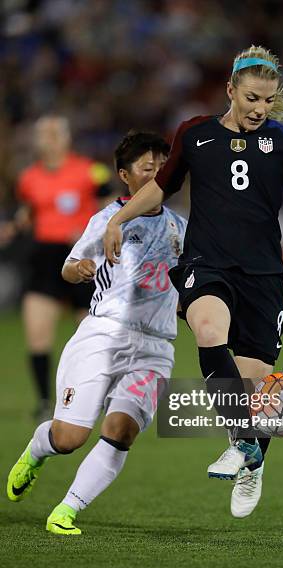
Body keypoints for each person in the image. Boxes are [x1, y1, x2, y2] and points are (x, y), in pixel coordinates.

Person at [103, 45, 283, 519]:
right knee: (210, 331)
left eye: (268, 100)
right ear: (230, 90)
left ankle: (251, 461)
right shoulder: (195, 133)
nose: (259, 109)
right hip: (206, 264)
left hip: (264, 275)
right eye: (252, 98)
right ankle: (242, 443)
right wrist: (118, 219)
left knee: (256, 389)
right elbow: (162, 186)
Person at [7, 130, 187, 535]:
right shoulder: (107, 220)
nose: (159, 174)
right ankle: (38, 450)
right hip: (104, 336)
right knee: (70, 437)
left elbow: (190, 283)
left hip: (156, 347)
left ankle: (66, 510)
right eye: (148, 167)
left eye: (164, 166)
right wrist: (80, 270)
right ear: (125, 175)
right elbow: (69, 267)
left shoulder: (181, 227)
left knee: (122, 431)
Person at [5, 115, 112, 421]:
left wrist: (90, 231)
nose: (49, 138)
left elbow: (112, 207)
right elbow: (30, 210)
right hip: (45, 258)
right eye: (44, 133)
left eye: (55, 132)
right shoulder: (28, 178)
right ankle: (43, 402)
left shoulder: (90, 170)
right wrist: (13, 227)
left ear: (67, 137)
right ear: (36, 140)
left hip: (81, 256)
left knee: (91, 334)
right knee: (37, 332)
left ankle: (97, 397)